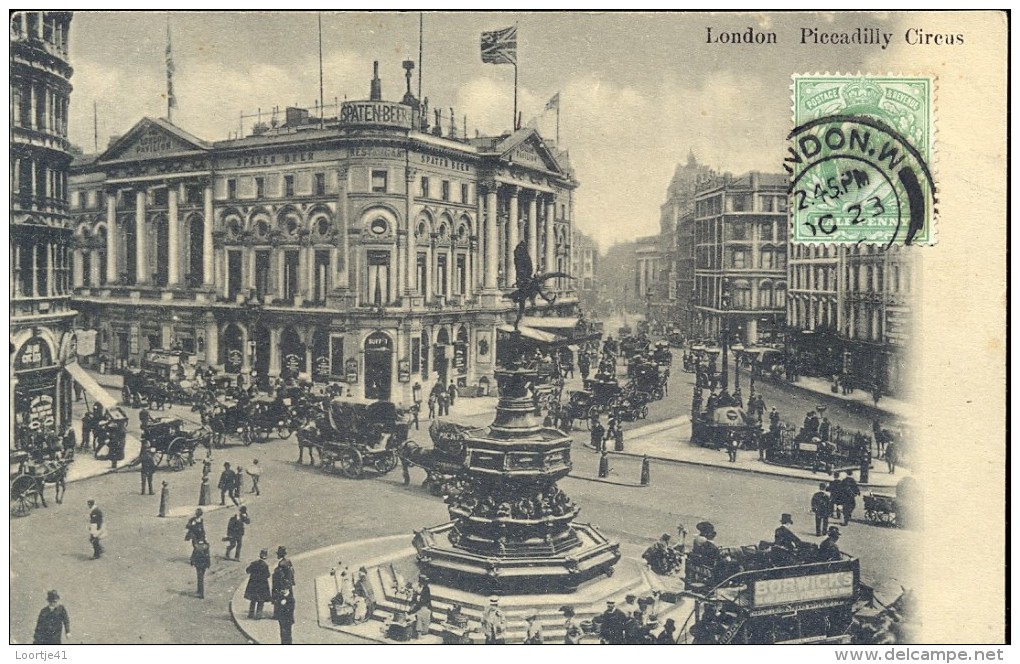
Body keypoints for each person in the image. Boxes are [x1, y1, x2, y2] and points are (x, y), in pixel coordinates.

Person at [245, 549, 272, 619]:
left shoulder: (254, 563)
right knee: (261, 600)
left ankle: (250, 614)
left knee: (253, 600)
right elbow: (268, 575)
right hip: (262, 585)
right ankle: (258, 615)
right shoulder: (265, 565)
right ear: (266, 556)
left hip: (253, 584)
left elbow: (247, 570)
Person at [408, 575, 432, 639]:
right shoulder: (417, 587)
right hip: (417, 604)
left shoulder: (427, 588)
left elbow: (427, 599)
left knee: (421, 615)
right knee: (410, 613)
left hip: (424, 605)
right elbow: (414, 597)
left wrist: (419, 602)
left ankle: (421, 632)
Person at [272, 546, 296, 612]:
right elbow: (292, 571)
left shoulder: (281, 563)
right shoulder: (288, 561)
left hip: (282, 584)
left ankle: (278, 613)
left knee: (280, 598)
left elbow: (279, 575)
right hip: (289, 583)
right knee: (288, 597)